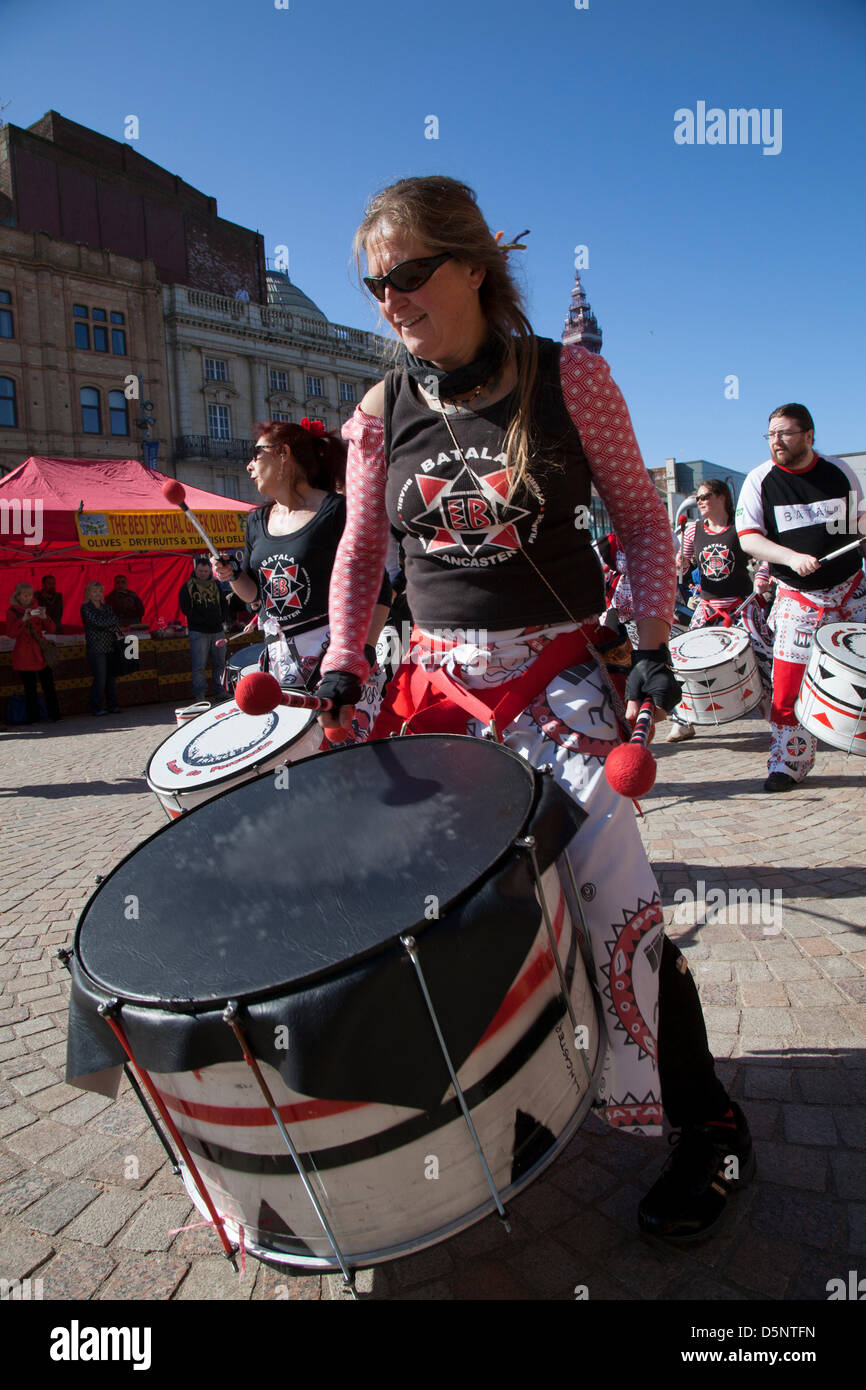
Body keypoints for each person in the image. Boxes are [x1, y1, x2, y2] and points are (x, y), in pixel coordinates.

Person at [315, 175, 753, 1243]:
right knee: (426, 919)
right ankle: (484, 1106)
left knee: (614, 906)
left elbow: (646, 529)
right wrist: (338, 657)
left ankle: (709, 1130)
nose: (389, 299)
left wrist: (648, 643)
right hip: (428, 687)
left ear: (471, 265)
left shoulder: (571, 377)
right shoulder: (377, 411)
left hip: (549, 683)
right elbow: (361, 550)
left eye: (409, 273)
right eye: (374, 282)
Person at [212, 418, 391, 739]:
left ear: (284, 454)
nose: (249, 466)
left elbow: (378, 588)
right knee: (296, 767)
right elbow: (255, 597)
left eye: (256, 454)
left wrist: (359, 654)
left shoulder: (339, 511)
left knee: (349, 760)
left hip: (337, 663)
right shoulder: (256, 521)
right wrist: (233, 575)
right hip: (280, 668)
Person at [737, 403, 866, 791]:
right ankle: (790, 760)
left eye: (785, 433)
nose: (776, 441)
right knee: (788, 686)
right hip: (798, 597)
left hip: (850, 591)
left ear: (809, 436)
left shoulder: (838, 472)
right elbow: (750, 538)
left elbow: (857, 525)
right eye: (771, 434)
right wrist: (791, 558)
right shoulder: (760, 480)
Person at [667, 479, 773, 743]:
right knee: (683, 661)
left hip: (741, 604)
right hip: (707, 604)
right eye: (698, 497)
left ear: (722, 498)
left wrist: (762, 575)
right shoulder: (692, 531)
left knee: (763, 657)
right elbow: (686, 562)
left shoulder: (741, 529)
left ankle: (775, 716)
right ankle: (684, 720)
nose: (700, 501)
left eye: (706, 496)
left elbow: (766, 557)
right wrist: (679, 561)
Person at [6, 582, 62, 724]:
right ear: (18, 596)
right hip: (24, 653)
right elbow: (11, 633)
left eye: (30, 595)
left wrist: (44, 617)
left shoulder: (37, 608)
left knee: (48, 685)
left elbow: (52, 629)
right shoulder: (12, 611)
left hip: (40, 651)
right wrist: (23, 620)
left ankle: (55, 714)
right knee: (29, 688)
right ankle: (33, 717)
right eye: (24, 595)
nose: (27, 598)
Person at [179, 557, 229, 700]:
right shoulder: (187, 587)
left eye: (206, 571)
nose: (203, 574)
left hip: (217, 630)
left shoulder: (216, 585)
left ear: (210, 572)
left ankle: (220, 692)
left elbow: (224, 604)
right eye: (200, 571)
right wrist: (202, 621)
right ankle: (200, 695)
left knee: (220, 663)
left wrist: (222, 619)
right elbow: (186, 609)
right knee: (199, 665)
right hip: (199, 631)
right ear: (196, 570)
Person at [81, 581, 123, 716]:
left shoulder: (107, 607)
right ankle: (97, 707)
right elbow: (97, 622)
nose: (97, 594)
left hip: (110, 646)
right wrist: (109, 624)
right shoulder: (86, 608)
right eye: (94, 591)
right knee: (100, 678)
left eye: (99, 591)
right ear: (88, 593)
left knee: (111, 678)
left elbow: (116, 621)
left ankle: (113, 705)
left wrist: (108, 624)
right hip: (96, 647)